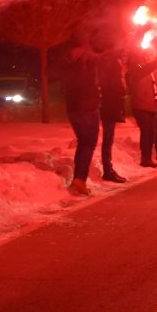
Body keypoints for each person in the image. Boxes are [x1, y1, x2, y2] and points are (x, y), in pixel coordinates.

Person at [62, 31, 102, 196]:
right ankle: (79, 180)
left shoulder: (67, 59)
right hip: (87, 107)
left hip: (73, 107)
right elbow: (104, 58)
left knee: (83, 142)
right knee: (88, 144)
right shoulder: (86, 60)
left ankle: (79, 178)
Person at [127, 47, 157, 168]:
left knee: (151, 131)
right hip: (140, 105)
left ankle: (148, 157)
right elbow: (143, 71)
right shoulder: (139, 67)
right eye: (147, 54)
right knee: (146, 130)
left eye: (152, 54)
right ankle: (145, 157)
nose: (149, 56)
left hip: (152, 105)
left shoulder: (156, 70)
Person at [97, 45, 128, 184]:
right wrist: (121, 90)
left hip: (109, 103)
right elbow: (113, 84)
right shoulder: (111, 63)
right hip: (109, 104)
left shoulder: (110, 62)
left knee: (109, 138)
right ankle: (107, 170)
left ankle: (108, 169)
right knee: (108, 139)